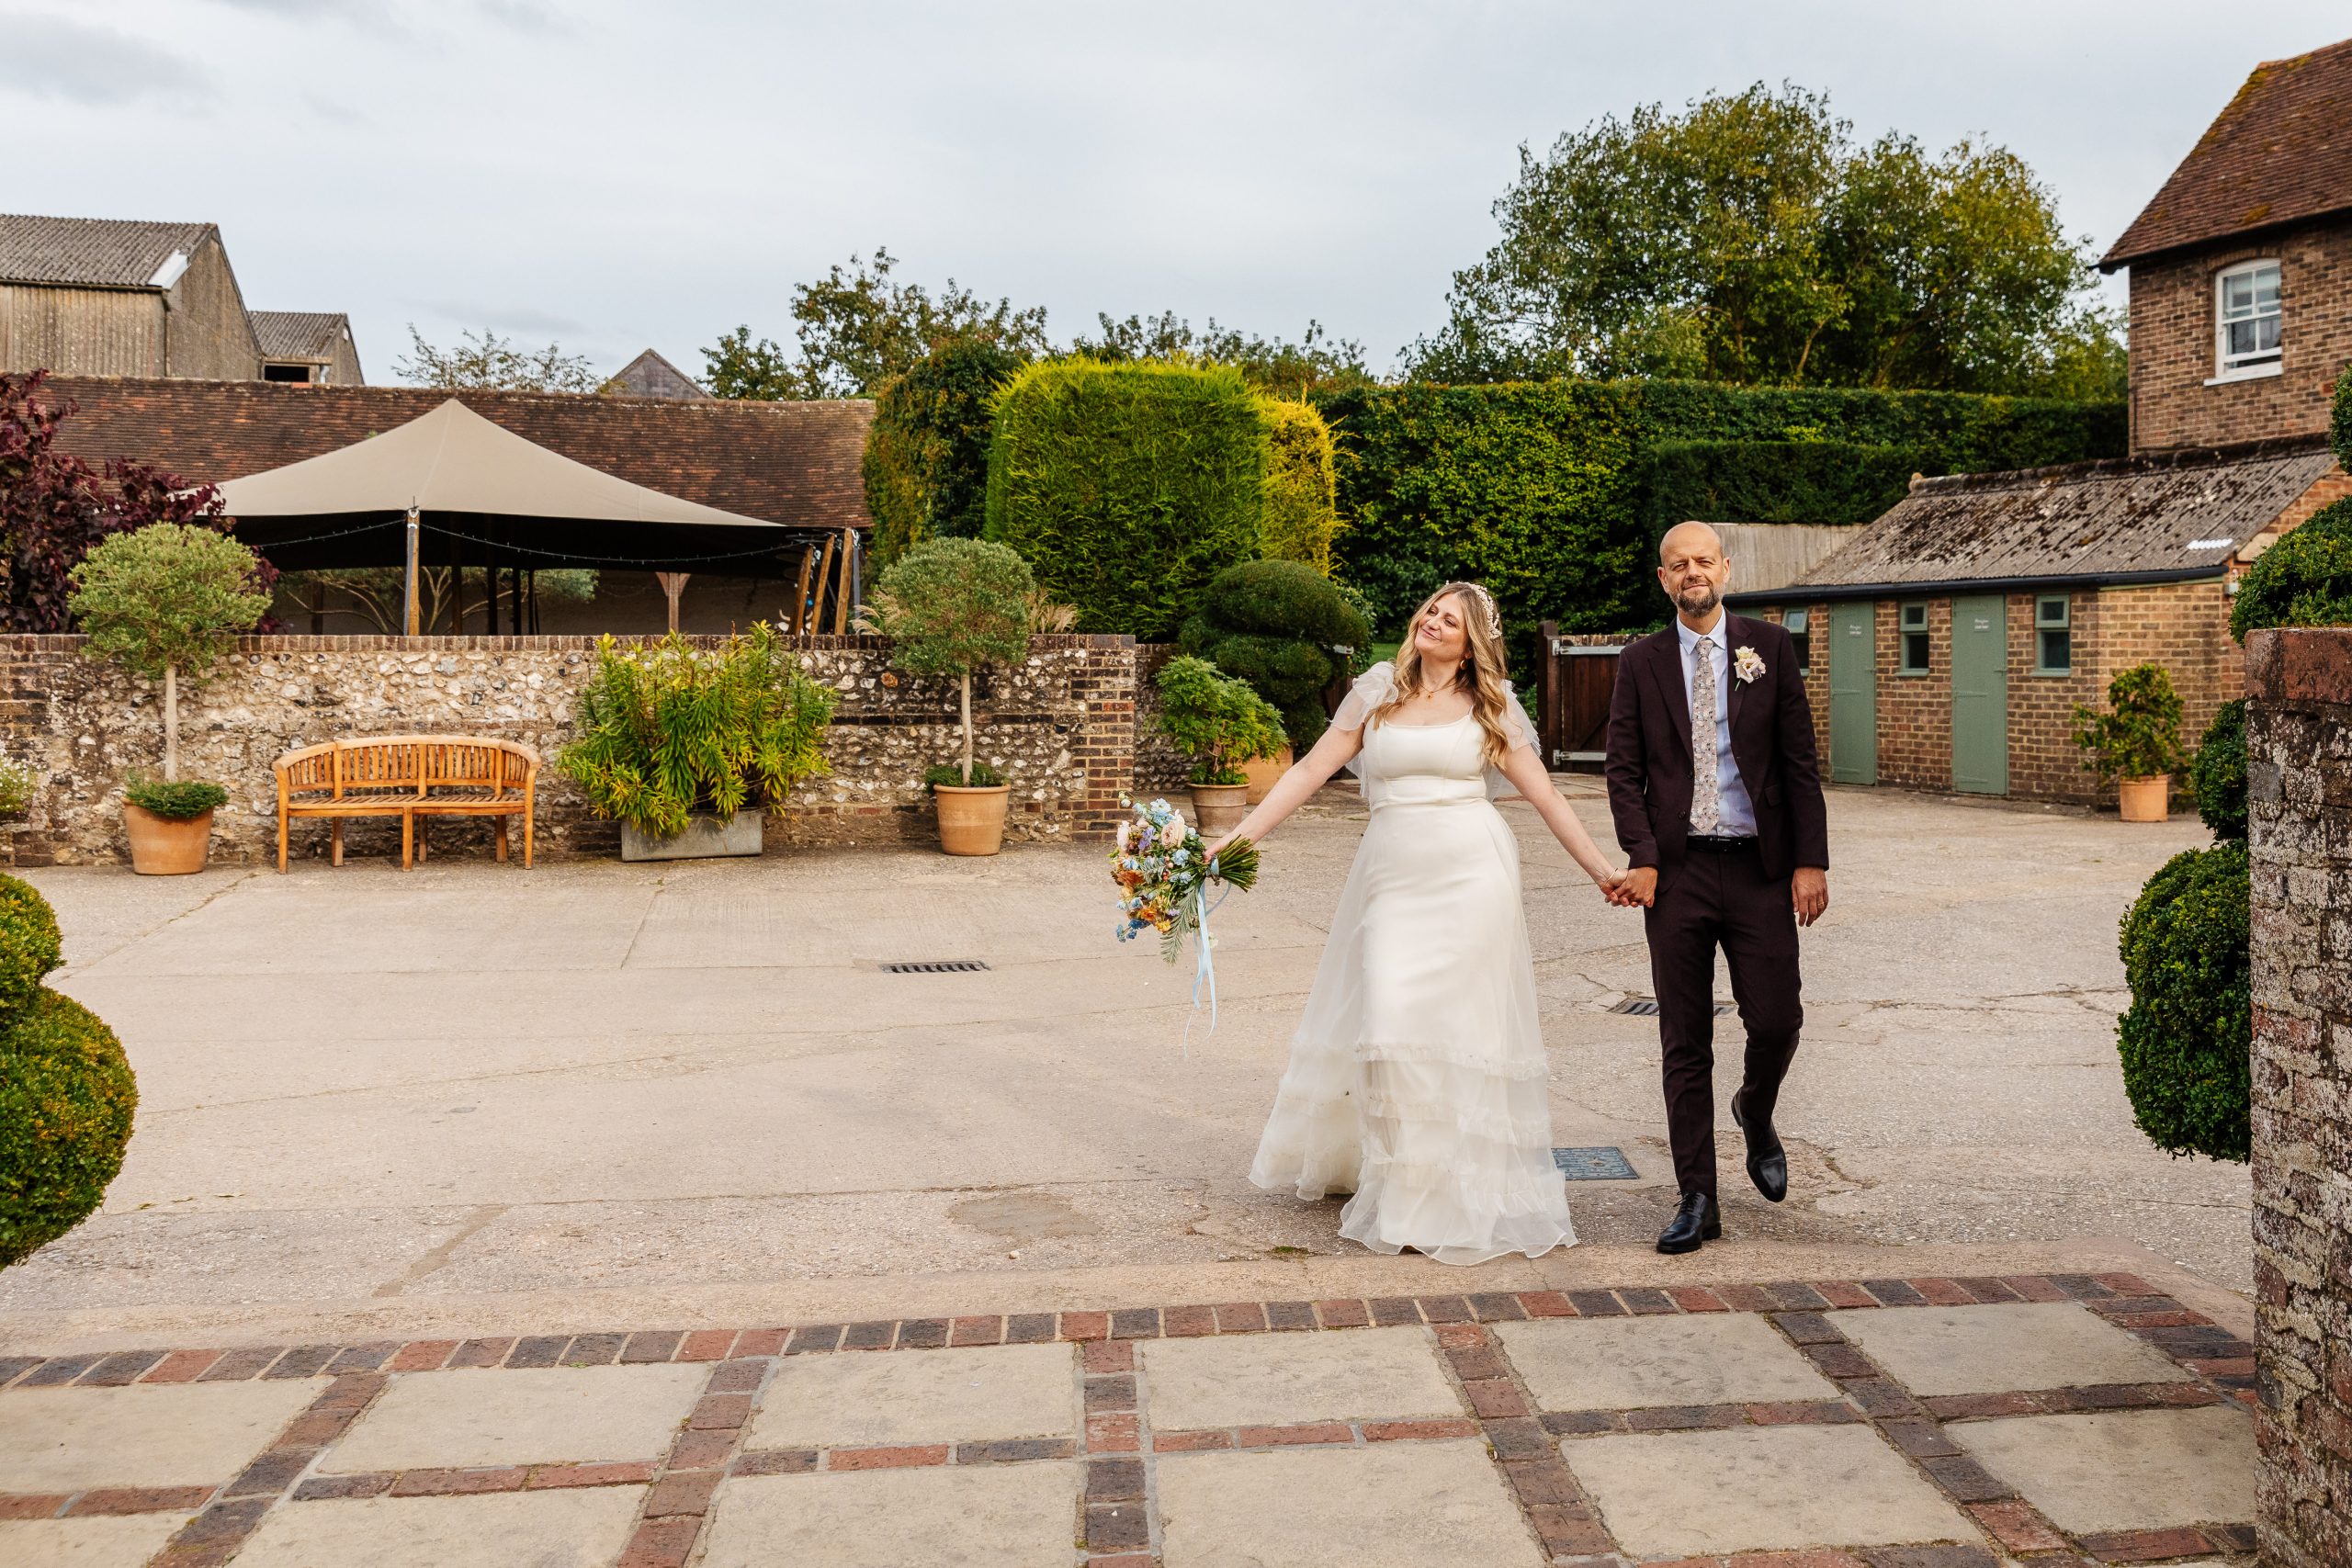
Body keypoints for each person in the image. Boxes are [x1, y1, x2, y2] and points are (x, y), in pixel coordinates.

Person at [1210, 581, 1627, 1265]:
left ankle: (1432, 1195)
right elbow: (1312, 768)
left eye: (1451, 619)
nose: (1433, 620)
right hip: (1392, 876)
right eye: (1432, 609)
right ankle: (1401, 1172)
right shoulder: (1377, 690)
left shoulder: (1491, 705)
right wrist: (1235, 839)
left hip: (1472, 876)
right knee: (1391, 1019)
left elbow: (1545, 794)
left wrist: (1601, 868)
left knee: (1456, 1028)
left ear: (1472, 646)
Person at [1601, 522, 1830, 1255]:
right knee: (1684, 1037)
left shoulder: (1770, 646)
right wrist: (1641, 855)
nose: (1692, 572)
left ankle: (1755, 1109)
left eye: (1703, 560)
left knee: (1777, 1020)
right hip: (1678, 874)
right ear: (1663, 579)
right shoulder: (1640, 664)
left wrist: (1810, 860)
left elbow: (1799, 762)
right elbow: (1623, 771)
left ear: (1725, 568)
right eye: (1678, 564)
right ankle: (1698, 1194)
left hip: (1762, 866)